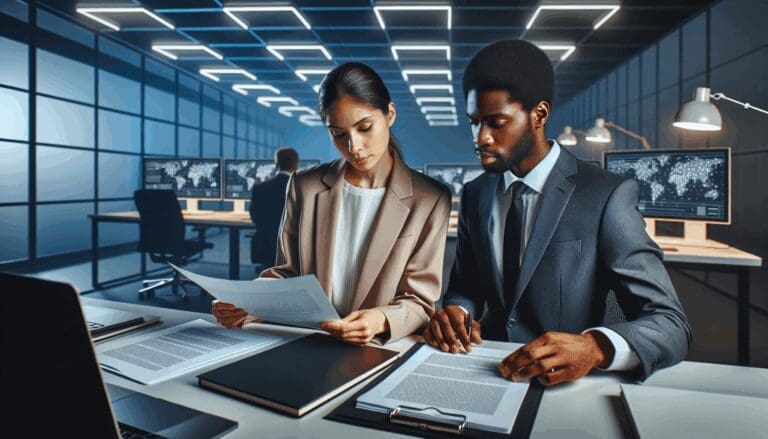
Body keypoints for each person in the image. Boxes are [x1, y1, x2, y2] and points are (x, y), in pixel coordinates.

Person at [423, 40, 691, 385]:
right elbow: (467, 286)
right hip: (481, 369)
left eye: (496, 122)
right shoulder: (476, 194)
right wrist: (457, 312)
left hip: (563, 387)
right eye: (474, 122)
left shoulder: (606, 194)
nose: (481, 138)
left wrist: (594, 347)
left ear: (540, 115)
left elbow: (670, 323)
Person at [214, 62, 452, 345]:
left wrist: (379, 320)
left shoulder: (430, 198)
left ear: (389, 114)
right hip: (308, 341)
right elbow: (286, 274)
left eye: (364, 128)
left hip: (378, 349)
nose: (354, 147)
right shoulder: (305, 185)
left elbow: (420, 303)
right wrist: (248, 303)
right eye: (339, 134)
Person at [248, 147, 298, 267]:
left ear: (276, 164)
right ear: (295, 165)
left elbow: (255, 217)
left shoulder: (259, 188)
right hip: (292, 250)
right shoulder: (300, 188)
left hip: (265, 249)